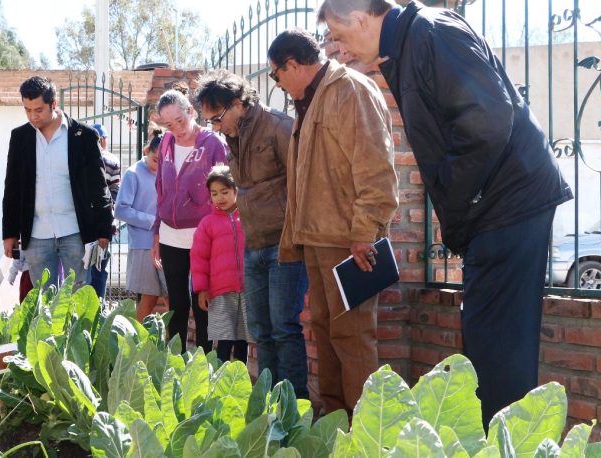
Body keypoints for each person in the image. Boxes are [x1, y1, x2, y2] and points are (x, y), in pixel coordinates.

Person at [317, 0, 573, 428]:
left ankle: (503, 446)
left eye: (339, 37)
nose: (337, 51)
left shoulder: (431, 33)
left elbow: (487, 121)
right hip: (498, 207)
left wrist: (456, 198)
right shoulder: (410, 42)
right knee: (489, 347)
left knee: (498, 352)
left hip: (507, 206)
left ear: (362, 19)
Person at [267, 29, 399, 414]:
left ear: (292, 65)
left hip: (349, 242)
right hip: (319, 239)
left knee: (352, 335)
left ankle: (366, 431)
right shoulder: (311, 98)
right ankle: (335, 424)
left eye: (276, 75)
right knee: (325, 332)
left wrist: (364, 233)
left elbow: (376, 167)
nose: (277, 83)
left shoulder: (350, 90)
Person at [195, 70, 310, 398]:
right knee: (260, 331)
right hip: (254, 245)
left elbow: (305, 181)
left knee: (284, 328)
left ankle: (295, 405)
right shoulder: (233, 137)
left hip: (285, 245)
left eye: (217, 118)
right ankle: (271, 403)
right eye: (210, 122)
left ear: (238, 104)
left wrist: (296, 234)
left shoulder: (279, 126)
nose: (215, 127)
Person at [2, 76, 113, 291]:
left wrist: (103, 230)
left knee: (79, 302)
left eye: (39, 110)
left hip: (76, 233)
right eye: (27, 110)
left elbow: (98, 186)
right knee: (44, 306)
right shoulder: (20, 137)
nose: (33, 116)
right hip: (36, 236)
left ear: (54, 104)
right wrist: (10, 233)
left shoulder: (84, 136)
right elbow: (12, 188)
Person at [153, 83, 228, 354]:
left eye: (180, 120)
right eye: (169, 124)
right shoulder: (165, 143)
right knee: (177, 302)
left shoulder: (213, 144)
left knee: (203, 301)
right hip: (170, 234)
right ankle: (177, 358)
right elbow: (160, 188)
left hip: (202, 235)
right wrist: (156, 231)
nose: (177, 128)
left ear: (192, 112)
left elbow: (225, 192)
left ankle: (205, 361)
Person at [190, 166, 250, 363]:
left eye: (225, 192)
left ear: (236, 190)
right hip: (220, 294)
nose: (220, 197)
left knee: (243, 343)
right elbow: (199, 259)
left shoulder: (249, 219)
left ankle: (240, 386)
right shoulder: (207, 224)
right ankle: (219, 385)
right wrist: (202, 289)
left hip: (247, 292)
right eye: (214, 193)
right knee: (224, 342)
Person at [114, 129, 169, 322]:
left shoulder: (169, 172)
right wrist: (152, 221)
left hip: (168, 243)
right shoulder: (133, 173)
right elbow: (120, 210)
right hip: (143, 245)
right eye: (155, 159)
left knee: (173, 297)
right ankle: (138, 343)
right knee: (149, 297)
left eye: (162, 161)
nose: (158, 165)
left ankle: (172, 345)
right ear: (147, 151)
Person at [87, 123, 121, 300]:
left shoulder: (81, 158)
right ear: (102, 140)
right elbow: (115, 191)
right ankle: (97, 310)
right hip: (104, 224)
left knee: (81, 271)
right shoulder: (112, 161)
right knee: (100, 269)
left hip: (81, 225)